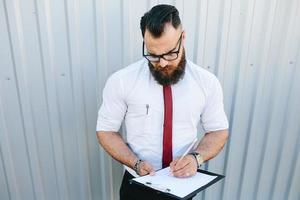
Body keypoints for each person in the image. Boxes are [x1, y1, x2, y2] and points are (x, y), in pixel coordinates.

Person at [96, 4, 229, 200]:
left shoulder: (207, 83)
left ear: (182, 38)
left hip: (182, 185)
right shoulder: (121, 81)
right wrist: (135, 163)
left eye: (170, 53)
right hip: (137, 185)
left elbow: (218, 131)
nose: (163, 63)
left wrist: (196, 158)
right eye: (153, 55)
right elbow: (106, 130)